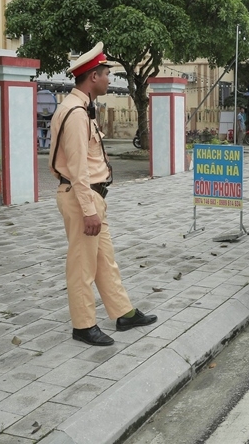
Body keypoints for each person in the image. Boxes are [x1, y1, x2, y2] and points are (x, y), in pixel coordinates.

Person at [49, 42, 157, 346]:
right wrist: (88, 210)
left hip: (93, 197)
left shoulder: (81, 109)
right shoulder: (75, 114)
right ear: (93, 76)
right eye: (107, 74)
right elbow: (77, 168)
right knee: (82, 265)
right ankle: (83, 326)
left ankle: (124, 312)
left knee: (104, 260)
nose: (110, 79)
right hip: (81, 197)